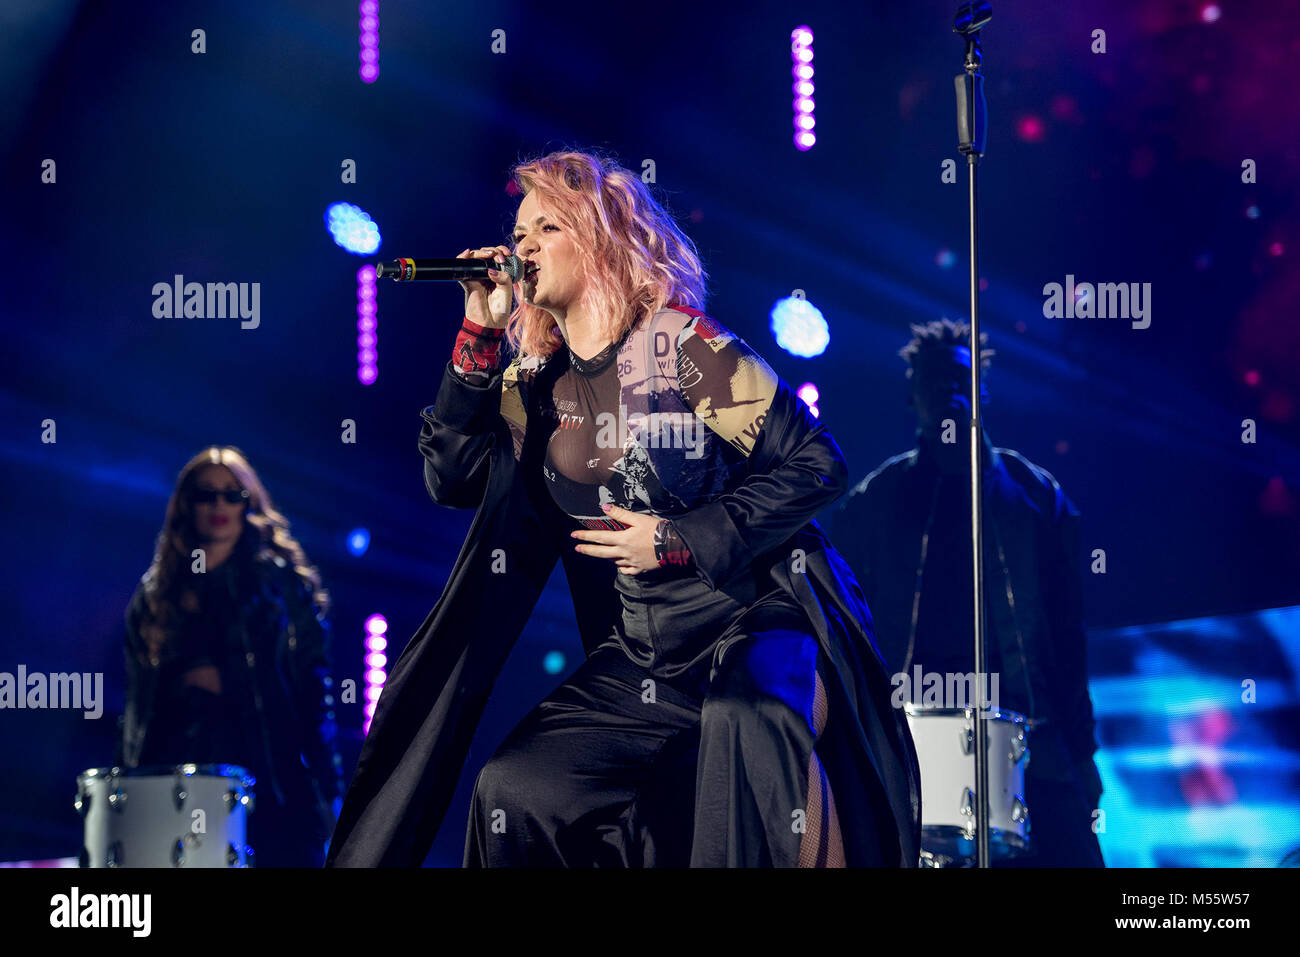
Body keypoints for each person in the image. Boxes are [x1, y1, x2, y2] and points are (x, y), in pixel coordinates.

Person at [326, 149, 921, 867]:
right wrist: (478, 335)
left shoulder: (681, 346)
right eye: (518, 234)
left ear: (602, 235)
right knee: (513, 786)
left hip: (757, 619)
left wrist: (680, 537)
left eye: (547, 226)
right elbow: (451, 478)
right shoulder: (534, 385)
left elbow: (820, 462)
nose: (522, 247)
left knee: (749, 716)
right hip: (645, 652)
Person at [831, 319, 1104, 867]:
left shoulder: (1034, 495)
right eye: (932, 381)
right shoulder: (876, 501)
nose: (947, 392)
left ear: (981, 388)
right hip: (913, 733)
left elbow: (1069, 634)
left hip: (1031, 729)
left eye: (959, 378)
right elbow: (842, 629)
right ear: (913, 397)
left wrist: (1083, 747)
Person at [117, 446, 345, 867]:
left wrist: (330, 793)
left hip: (269, 784)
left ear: (248, 504)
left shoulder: (281, 586)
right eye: (206, 495)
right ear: (187, 505)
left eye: (231, 495)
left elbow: (314, 698)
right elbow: (136, 706)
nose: (219, 505)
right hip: (172, 783)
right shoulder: (157, 593)